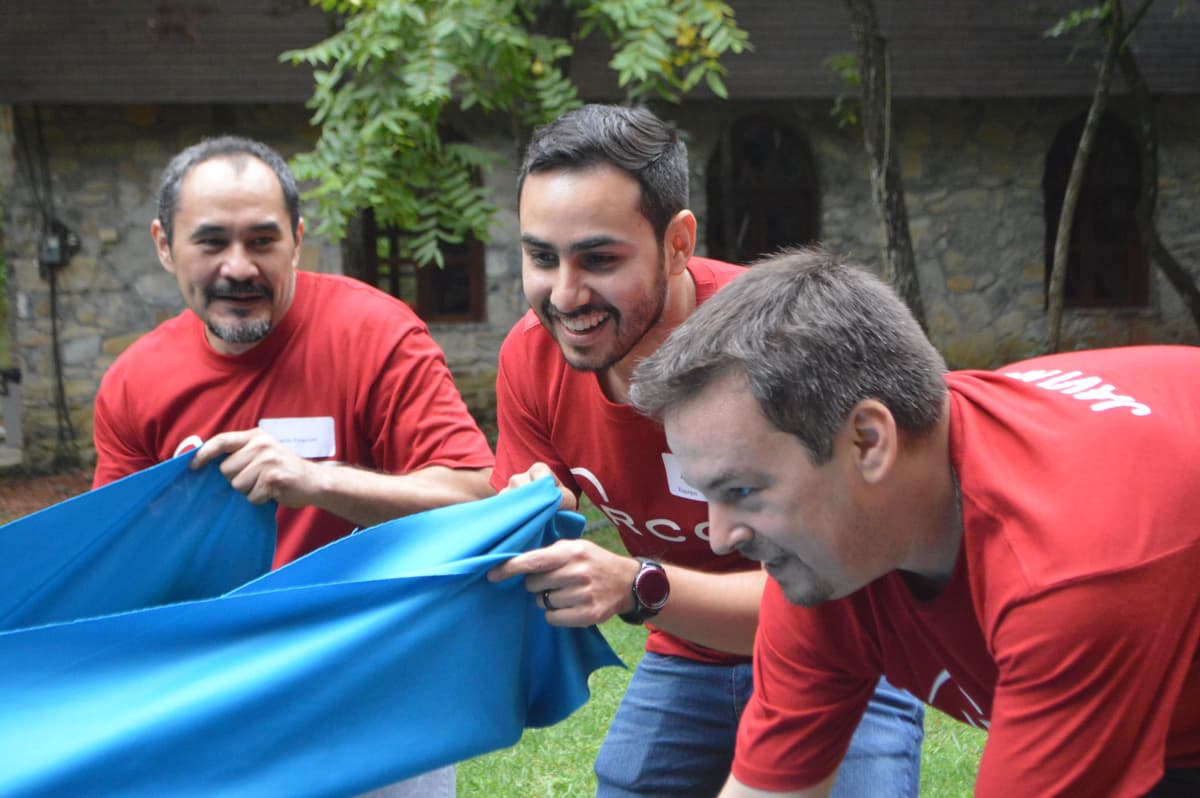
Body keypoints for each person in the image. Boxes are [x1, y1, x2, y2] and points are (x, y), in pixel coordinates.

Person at [630, 246, 1200, 798]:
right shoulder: (839, 548)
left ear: (869, 441)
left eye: (743, 491)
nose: (722, 534)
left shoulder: (1066, 569)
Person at [485, 105, 925, 797]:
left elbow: (842, 588)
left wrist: (638, 584)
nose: (564, 295)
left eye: (599, 258)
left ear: (679, 242)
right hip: (690, 652)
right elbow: (522, 516)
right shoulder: (529, 360)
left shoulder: (783, 346)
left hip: (843, 646)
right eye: (542, 257)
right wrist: (537, 514)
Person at [92, 135, 495, 797]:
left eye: (262, 241)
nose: (239, 267)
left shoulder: (377, 334)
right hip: (216, 689)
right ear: (164, 245)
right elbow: (115, 574)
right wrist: (169, 517)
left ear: (298, 239)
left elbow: (479, 497)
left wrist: (316, 481)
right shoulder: (135, 383)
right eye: (211, 241)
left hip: (377, 676)